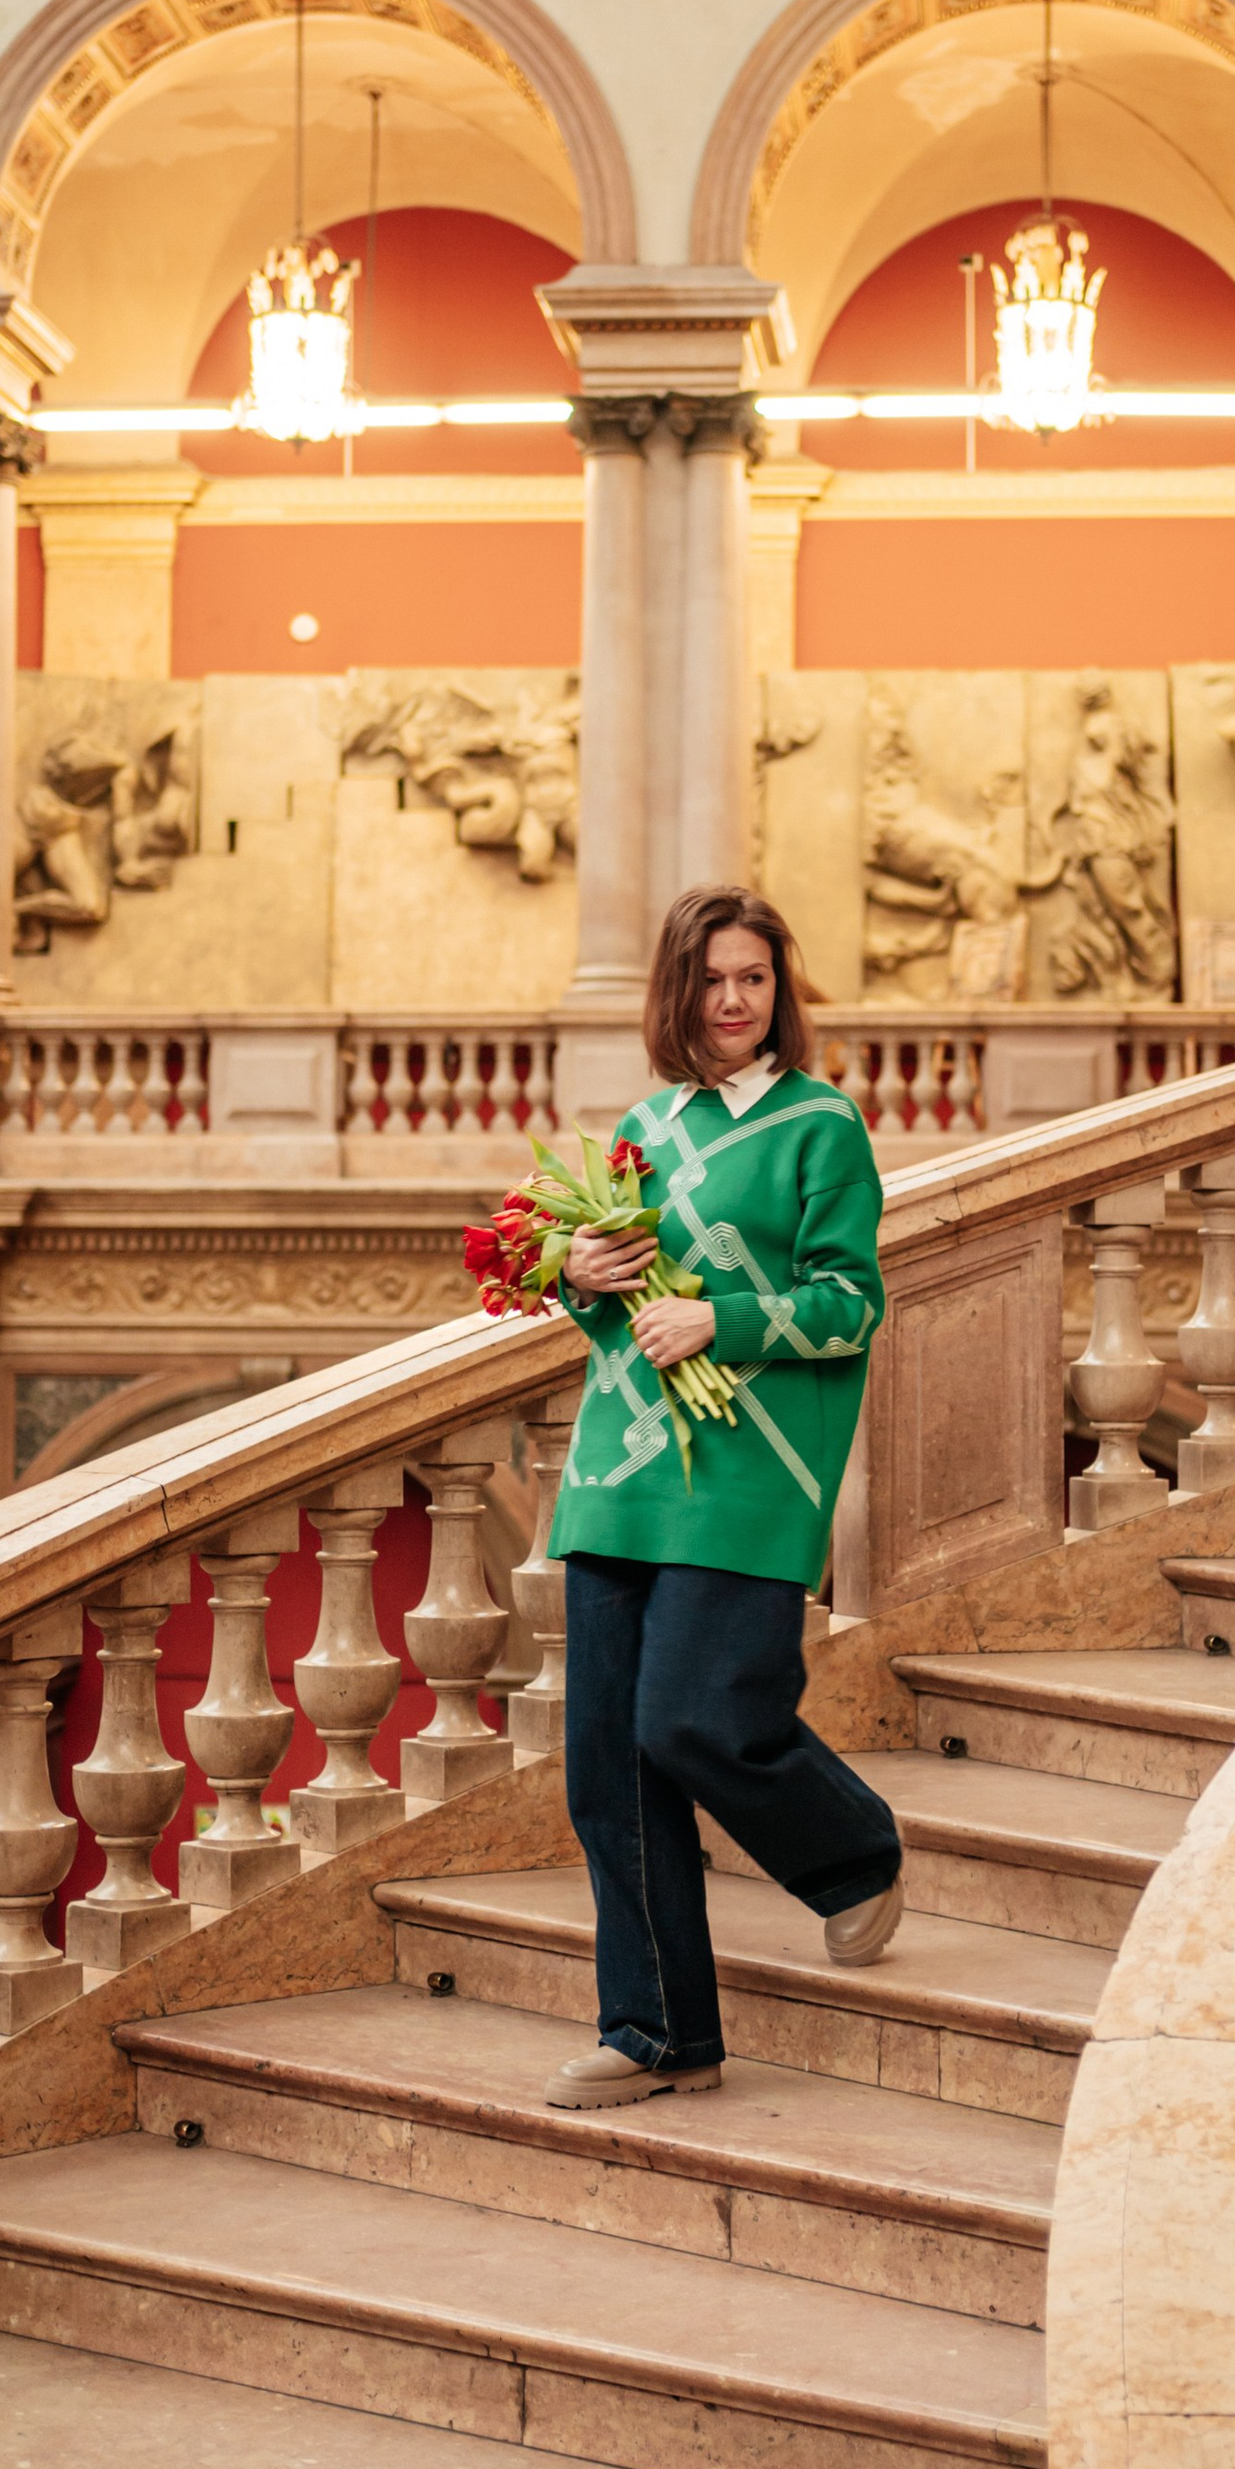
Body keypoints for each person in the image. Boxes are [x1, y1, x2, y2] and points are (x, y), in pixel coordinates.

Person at [548, 881, 903, 2112]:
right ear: (675, 993)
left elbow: (850, 1303)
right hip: (621, 1470)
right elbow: (618, 1309)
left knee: (696, 1718)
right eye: (711, 979)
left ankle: (851, 1852)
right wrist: (580, 1274)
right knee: (606, 1763)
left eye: (753, 977)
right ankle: (657, 2033)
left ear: (778, 991)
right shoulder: (643, 1130)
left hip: (752, 1473)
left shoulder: (822, 1128)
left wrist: (726, 1317)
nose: (734, 1000)